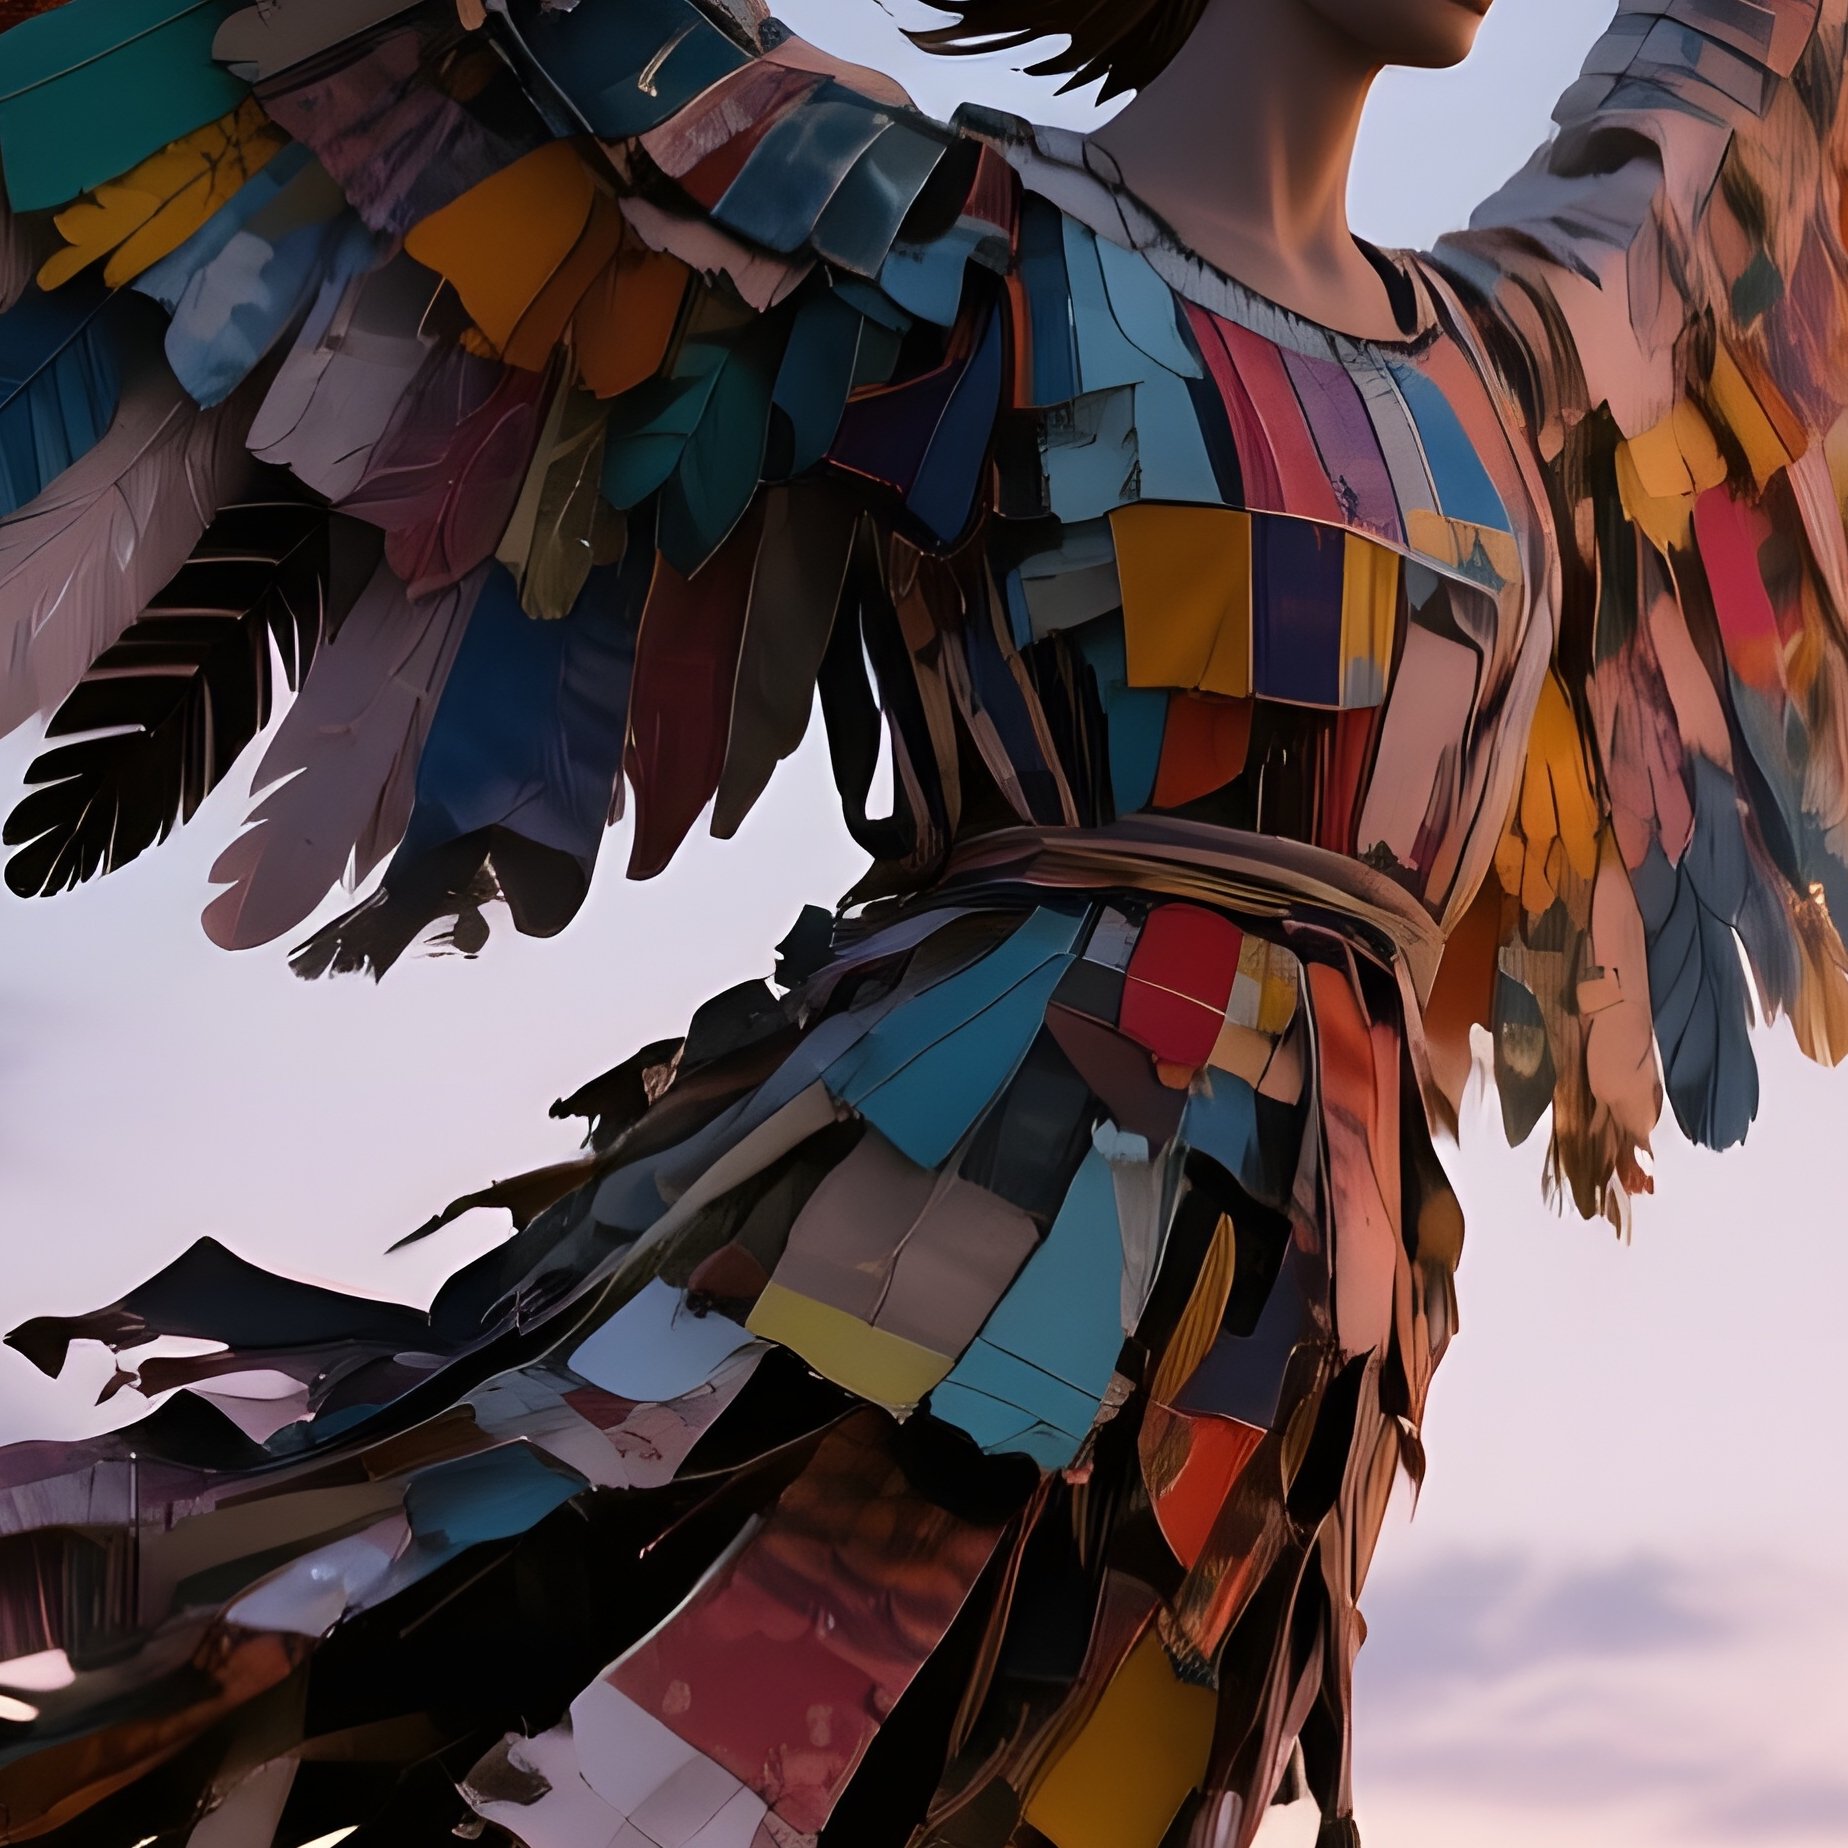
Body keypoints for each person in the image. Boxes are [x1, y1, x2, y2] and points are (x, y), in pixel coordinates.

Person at [0, 1, 1842, 1841]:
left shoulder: (1534, 378)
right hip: (928, 1230)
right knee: (680, 1764)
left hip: (1299, 1336)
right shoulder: (955, 239)